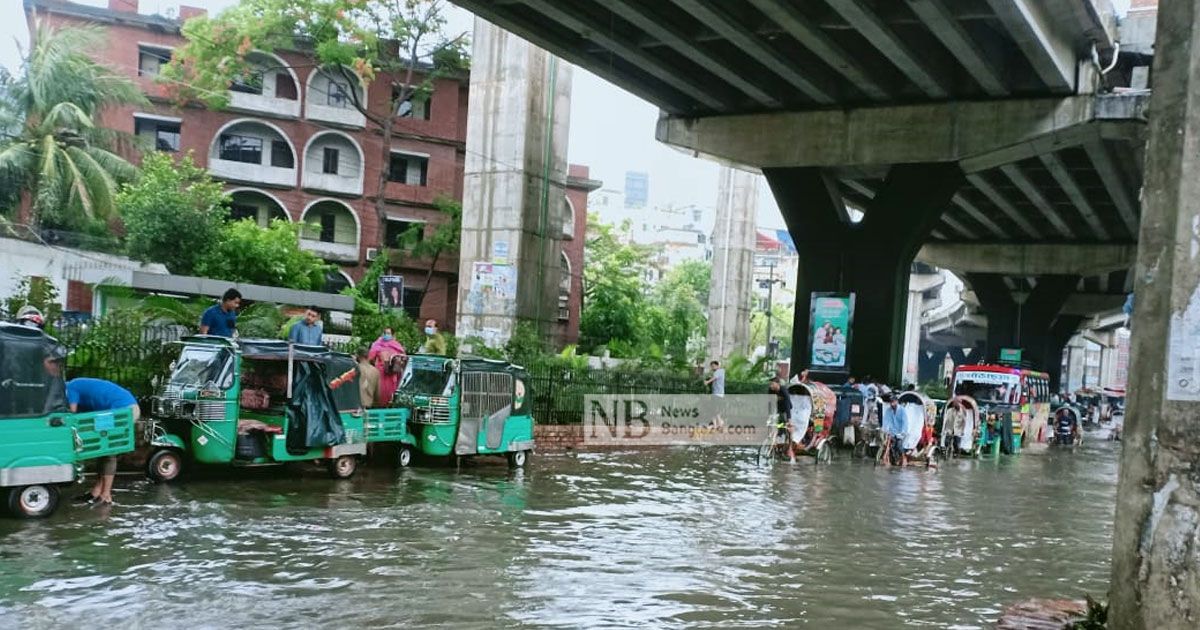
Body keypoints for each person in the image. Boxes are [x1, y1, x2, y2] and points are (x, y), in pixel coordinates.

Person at [66, 378, 139, 506]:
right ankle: (97, 492)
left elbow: (71, 412)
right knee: (102, 450)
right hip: (120, 409)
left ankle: (106, 495)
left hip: (124, 410)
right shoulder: (76, 386)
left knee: (109, 452)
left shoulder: (70, 388)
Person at [368, 327, 407, 405]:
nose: (386, 335)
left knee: (390, 394)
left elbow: (403, 358)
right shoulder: (377, 345)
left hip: (392, 375)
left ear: (392, 335)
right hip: (381, 374)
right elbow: (370, 358)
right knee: (380, 393)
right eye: (385, 333)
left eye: (388, 333)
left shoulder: (397, 346)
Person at [769, 378, 794, 463]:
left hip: (785, 410)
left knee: (788, 429)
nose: (771, 386)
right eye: (770, 384)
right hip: (777, 409)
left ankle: (789, 448)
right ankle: (774, 444)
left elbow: (787, 406)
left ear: (777, 384)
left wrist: (789, 420)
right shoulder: (770, 390)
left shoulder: (784, 391)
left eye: (772, 384)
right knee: (772, 425)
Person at [881, 394, 907, 466]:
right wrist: (884, 429)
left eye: (893, 402)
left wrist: (903, 432)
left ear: (896, 402)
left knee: (898, 445)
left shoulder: (902, 410)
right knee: (888, 445)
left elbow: (905, 422)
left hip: (900, 432)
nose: (892, 404)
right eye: (890, 402)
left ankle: (903, 457)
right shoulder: (888, 410)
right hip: (892, 432)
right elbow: (885, 421)